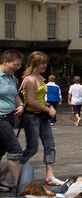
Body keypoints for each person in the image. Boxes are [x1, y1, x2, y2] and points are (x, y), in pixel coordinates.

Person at [20, 52, 65, 185]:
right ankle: (10, 169)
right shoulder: (29, 80)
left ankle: (50, 176)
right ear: (34, 64)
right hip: (31, 116)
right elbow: (31, 101)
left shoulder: (40, 78)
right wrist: (48, 109)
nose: (45, 65)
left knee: (49, 144)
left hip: (42, 116)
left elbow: (41, 100)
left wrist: (48, 106)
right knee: (32, 148)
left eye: (45, 62)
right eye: (42, 63)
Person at [0, 49, 25, 189]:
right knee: (15, 149)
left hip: (9, 116)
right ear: (5, 62)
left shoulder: (10, 76)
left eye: (19, 65)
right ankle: (18, 185)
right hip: (0, 117)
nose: (17, 68)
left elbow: (15, 94)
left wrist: (20, 105)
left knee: (1, 150)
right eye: (15, 65)